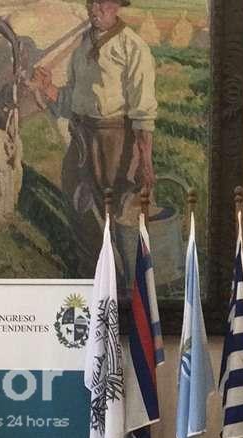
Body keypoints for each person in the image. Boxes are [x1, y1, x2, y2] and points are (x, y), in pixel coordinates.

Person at [31, 0, 157, 274]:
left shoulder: (133, 46)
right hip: (81, 138)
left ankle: (127, 278)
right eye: (91, 2)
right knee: (77, 202)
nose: (94, 9)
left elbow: (143, 111)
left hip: (115, 141)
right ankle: (91, 268)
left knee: (117, 210)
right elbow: (70, 99)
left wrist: (145, 160)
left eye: (103, 3)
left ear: (117, 6)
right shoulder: (82, 45)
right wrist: (48, 87)